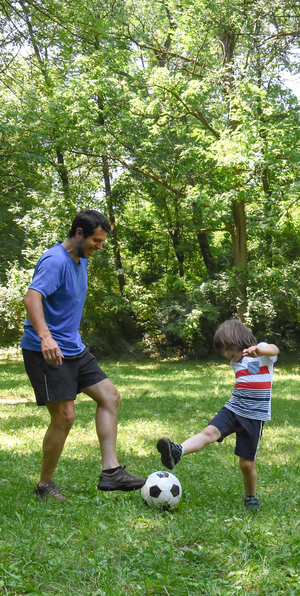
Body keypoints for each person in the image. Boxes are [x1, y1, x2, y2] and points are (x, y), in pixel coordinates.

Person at [21, 209, 145, 501]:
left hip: (73, 347)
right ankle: (44, 486)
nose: (99, 247)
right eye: (95, 241)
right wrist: (46, 338)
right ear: (78, 233)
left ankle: (111, 472)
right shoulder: (55, 260)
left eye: (101, 242)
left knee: (110, 396)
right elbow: (31, 298)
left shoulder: (80, 260)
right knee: (64, 416)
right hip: (47, 351)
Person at [156, 319, 280, 511]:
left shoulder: (262, 352)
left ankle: (251, 497)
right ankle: (177, 451)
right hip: (233, 409)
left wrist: (260, 351)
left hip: (254, 418)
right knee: (209, 433)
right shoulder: (235, 363)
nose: (226, 354)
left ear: (239, 340)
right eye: (223, 351)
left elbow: (274, 349)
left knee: (246, 465)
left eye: (228, 348)